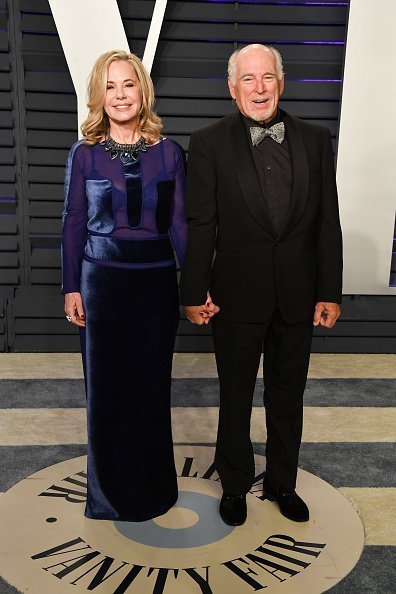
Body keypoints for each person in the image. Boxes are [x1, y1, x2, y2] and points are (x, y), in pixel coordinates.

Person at [180, 44, 342, 526]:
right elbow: (200, 223)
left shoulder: (316, 139)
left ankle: (282, 483)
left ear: (282, 82)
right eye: (248, 79)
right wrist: (192, 291)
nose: (259, 87)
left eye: (267, 77)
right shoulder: (208, 142)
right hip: (235, 295)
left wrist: (329, 290)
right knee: (234, 396)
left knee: (288, 395)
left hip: (299, 294)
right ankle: (234, 485)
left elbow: (326, 221)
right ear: (233, 88)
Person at [62, 50, 187, 521]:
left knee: (152, 388)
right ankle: (109, 496)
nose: (120, 95)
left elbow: (180, 224)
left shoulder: (169, 152)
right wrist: (70, 286)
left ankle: (154, 490)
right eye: (110, 86)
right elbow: (73, 222)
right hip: (101, 284)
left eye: (128, 85)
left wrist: (196, 286)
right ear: (99, 95)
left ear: (143, 91)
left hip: (155, 285)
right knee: (108, 391)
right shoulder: (85, 153)